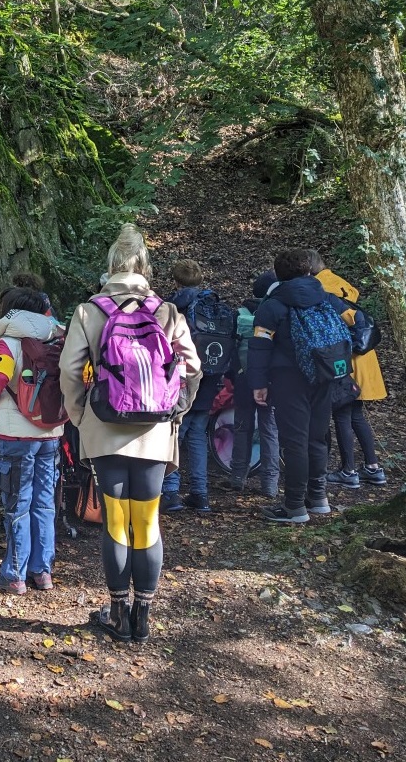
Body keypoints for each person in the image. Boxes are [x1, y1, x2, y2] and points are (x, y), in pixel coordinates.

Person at [60, 225, 201, 642]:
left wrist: (80, 416)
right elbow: (191, 367)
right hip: (155, 432)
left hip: (105, 428)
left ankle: (118, 610)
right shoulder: (167, 310)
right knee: (148, 521)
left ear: (111, 264)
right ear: (145, 265)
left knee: (116, 522)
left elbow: (70, 370)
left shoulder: (90, 310)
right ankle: (144, 615)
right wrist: (176, 410)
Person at [247, 248, 351, 524]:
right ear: (308, 271)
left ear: (278, 274)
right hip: (324, 374)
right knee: (317, 437)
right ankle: (318, 499)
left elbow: (259, 347)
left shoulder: (272, 305)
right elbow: (357, 321)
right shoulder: (326, 298)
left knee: (294, 442)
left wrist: (257, 383)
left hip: (288, 380)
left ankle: (294, 506)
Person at [0, 287, 64, 595]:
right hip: (52, 430)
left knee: (17, 503)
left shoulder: (10, 340)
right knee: (44, 503)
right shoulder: (57, 335)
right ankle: (42, 572)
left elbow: (1, 376)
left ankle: (14, 573)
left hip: (17, 434)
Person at [308, 252, 388, 489]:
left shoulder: (319, 288)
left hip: (345, 357)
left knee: (342, 413)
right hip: (364, 355)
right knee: (356, 415)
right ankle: (372, 467)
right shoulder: (340, 283)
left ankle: (348, 470)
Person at [159, 259, 225, 513]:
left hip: (183, 378)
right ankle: (200, 494)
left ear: (175, 281)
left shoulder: (173, 307)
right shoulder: (215, 304)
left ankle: (171, 492)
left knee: (174, 434)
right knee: (198, 434)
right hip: (210, 377)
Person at [226, 270, 281, 498]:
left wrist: (234, 372)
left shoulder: (238, 314)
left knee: (242, 427)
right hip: (270, 380)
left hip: (242, 378)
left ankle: (238, 476)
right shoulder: (276, 312)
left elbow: (231, 347)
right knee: (269, 429)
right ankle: (270, 482)